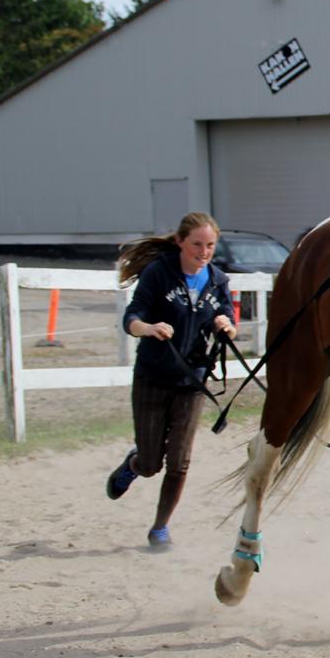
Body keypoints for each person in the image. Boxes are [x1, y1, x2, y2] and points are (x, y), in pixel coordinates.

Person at [106, 212, 237, 548]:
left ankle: (160, 527)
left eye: (210, 245)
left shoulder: (218, 280)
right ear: (180, 242)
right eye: (197, 244)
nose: (204, 251)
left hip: (191, 381)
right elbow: (131, 317)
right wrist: (149, 329)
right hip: (153, 376)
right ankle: (135, 464)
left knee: (179, 463)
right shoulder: (158, 274)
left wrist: (225, 326)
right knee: (152, 465)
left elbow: (228, 320)